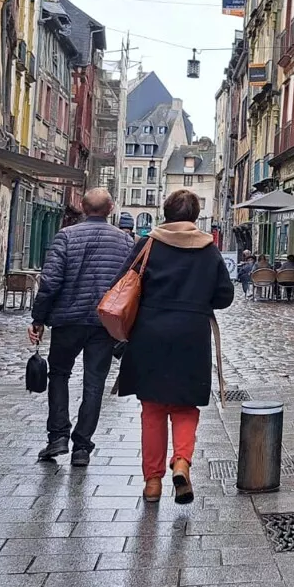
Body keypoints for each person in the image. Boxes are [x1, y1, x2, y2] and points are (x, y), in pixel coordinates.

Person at [115, 190, 234, 504]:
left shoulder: (148, 244)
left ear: (165, 213)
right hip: (191, 336)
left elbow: (123, 282)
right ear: (194, 216)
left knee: (152, 409)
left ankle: (152, 482)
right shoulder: (209, 250)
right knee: (184, 407)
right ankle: (181, 462)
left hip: (150, 335)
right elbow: (225, 296)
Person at [29, 188, 134, 466]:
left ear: (84, 208)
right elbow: (131, 286)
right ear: (110, 208)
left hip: (68, 319)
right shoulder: (124, 242)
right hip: (104, 323)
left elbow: (50, 282)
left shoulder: (66, 236)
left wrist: (38, 318)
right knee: (94, 382)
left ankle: (57, 436)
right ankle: (82, 447)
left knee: (59, 374)